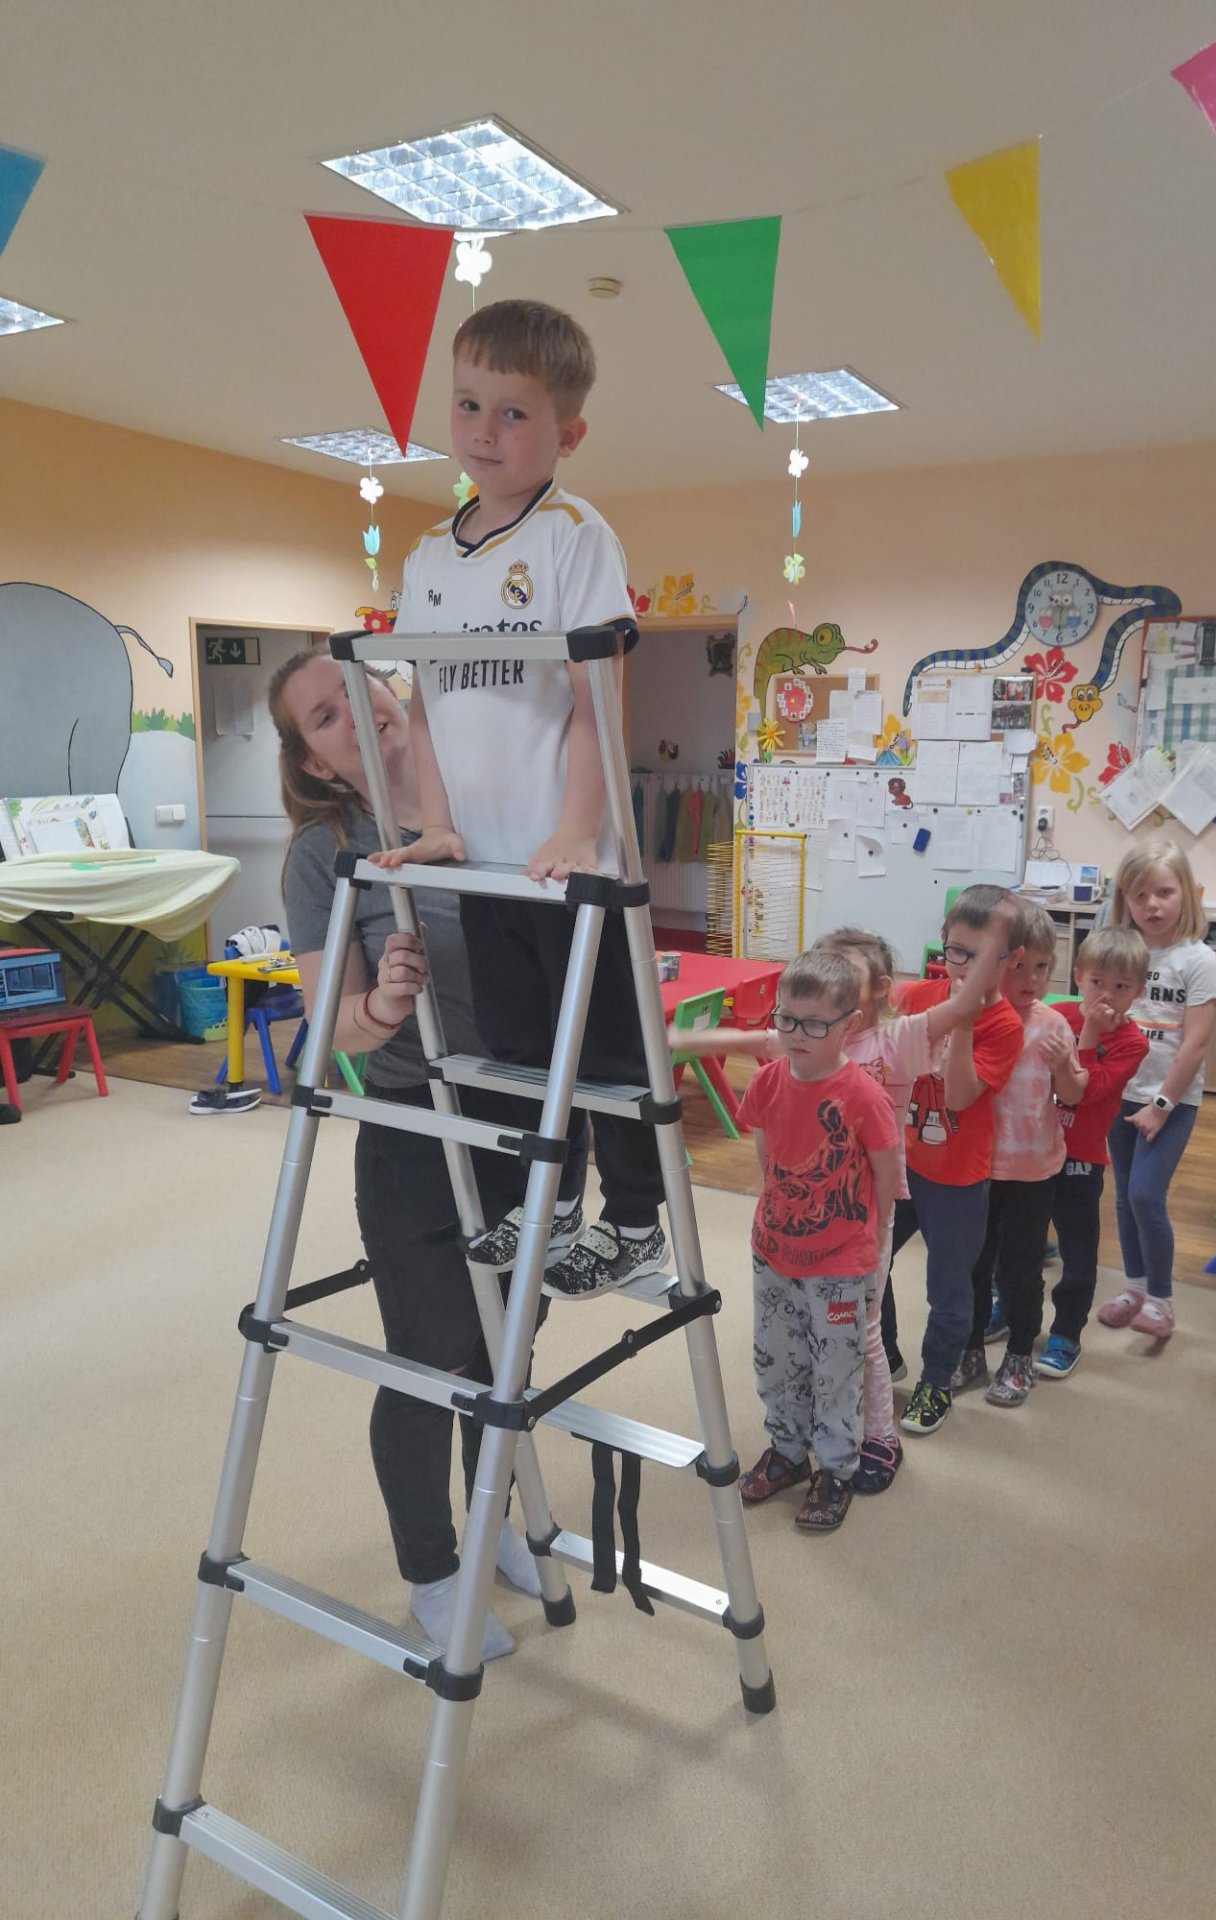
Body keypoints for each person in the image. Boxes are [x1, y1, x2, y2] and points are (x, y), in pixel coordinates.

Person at [270, 649, 578, 1659]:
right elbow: (331, 1028)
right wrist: (383, 1005)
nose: (354, 715)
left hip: (527, 1113)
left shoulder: (490, 803)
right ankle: (432, 1572)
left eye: (355, 690)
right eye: (324, 717)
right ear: (314, 762)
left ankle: (491, 1525)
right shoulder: (328, 850)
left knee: (506, 1350)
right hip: (416, 1122)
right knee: (433, 1359)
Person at [375, 297, 665, 1303]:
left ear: (566, 435)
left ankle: (638, 1224)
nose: (485, 431)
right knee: (517, 1050)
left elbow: (597, 694)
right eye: (469, 405)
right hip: (488, 863)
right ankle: (553, 1202)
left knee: (605, 1052)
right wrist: (435, 823)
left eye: (514, 413)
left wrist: (579, 828)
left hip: (569, 862)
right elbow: (425, 704)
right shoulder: (427, 555)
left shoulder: (573, 536)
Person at [813, 926, 994, 1490]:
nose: (831, 983)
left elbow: (959, 1008)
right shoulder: (819, 1039)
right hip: (823, 1210)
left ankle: (885, 1430)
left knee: (866, 1320)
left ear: (880, 988)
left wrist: (989, 949)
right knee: (830, 1316)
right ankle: (846, 1400)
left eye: (845, 973)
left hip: (879, 1205)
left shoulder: (895, 1038)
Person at [734, 949, 899, 1532]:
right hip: (774, 1253)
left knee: (836, 1371)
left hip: (840, 1266)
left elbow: (886, 1176)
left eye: (814, 1024)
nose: (797, 1034)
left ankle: (835, 1469)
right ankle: (787, 1450)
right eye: (786, 1019)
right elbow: (766, 1155)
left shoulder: (864, 1096)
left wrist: (871, 1247)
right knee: (776, 1359)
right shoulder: (767, 1081)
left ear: (849, 1024)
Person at [891, 888, 1025, 1437]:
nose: (962, 966)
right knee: (865, 1262)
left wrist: (963, 1020)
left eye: (979, 956)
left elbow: (959, 1096)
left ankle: (937, 1381)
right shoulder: (917, 995)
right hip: (898, 1165)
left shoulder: (1004, 1026)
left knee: (948, 1289)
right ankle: (884, 1355)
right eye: (954, 951)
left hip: (956, 1180)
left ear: (1011, 960)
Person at [950, 902, 1080, 1408]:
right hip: (977, 1168)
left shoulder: (1054, 1025)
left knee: (1023, 1270)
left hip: (1033, 1172)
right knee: (973, 1266)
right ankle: (970, 1351)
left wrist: (1065, 1068)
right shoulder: (976, 1018)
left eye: (1042, 967)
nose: (1031, 979)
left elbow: (1072, 1095)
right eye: (1019, 967)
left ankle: (1021, 1353)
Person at [1097, 838, 1216, 1343]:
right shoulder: (1122, 954)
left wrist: (1162, 1104)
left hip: (1169, 1101)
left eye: (1164, 893)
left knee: (1146, 1196)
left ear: (1186, 894)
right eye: (1139, 895)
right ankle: (1133, 1289)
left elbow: (1195, 1044)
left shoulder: (1198, 960)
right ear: (1124, 900)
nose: (1152, 905)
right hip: (1120, 1093)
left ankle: (1161, 1299)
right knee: (1124, 1198)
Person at [1034, 927, 1150, 1379]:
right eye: (1097, 981)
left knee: (1078, 1255)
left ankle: (1066, 1333)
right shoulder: (1055, 1014)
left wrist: (1090, 1034)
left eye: (1121, 986)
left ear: (1137, 991)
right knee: (1018, 1244)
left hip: (1082, 1159)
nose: (1107, 994)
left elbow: (1082, 1092)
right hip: (1035, 1151)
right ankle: (1010, 1307)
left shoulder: (1133, 1042)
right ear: (1078, 976)